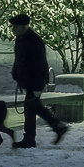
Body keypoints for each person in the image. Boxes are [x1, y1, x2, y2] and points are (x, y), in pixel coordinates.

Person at [9, 13, 68, 148]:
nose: (13, 29)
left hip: (34, 81)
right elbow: (19, 60)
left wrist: (37, 86)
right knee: (34, 107)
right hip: (28, 80)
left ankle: (30, 139)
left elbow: (39, 64)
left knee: (30, 107)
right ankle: (57, 127)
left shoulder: (34, 41)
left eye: (15, 26)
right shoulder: (21, 39)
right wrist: (16, 74)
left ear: (23, 27)